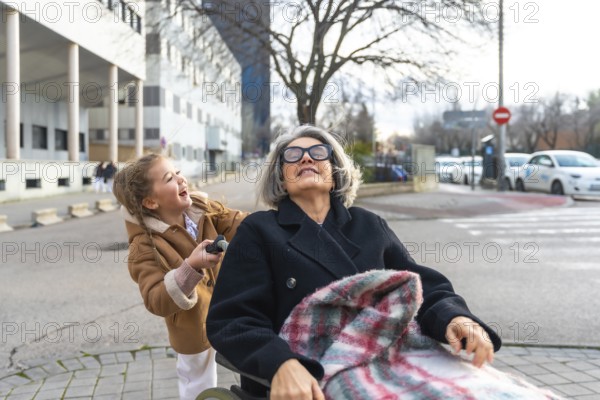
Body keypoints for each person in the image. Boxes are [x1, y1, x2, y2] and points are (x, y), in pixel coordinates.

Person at [206, 125, 501, 399]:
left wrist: (454, 317)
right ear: (281, 176)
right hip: (309, 375)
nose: (306, 158)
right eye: (292, 155)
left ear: (334, 171)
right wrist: (280, 363)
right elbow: (233, 319)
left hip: (386, 360)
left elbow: (419, 286)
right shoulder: (259, 230)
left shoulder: (369, 225)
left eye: (318, 152)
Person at [112, 154, 246, 400]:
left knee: (254, 358)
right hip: (193, 328)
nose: (181, 179)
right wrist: (191, 267)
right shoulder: (144, 246)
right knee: (198, 384)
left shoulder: (203, 210)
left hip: (230, 310)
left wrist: (273, 225)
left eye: (178, 172)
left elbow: (240, 222)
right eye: (169, 178)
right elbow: (156, 299)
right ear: (151, 202)